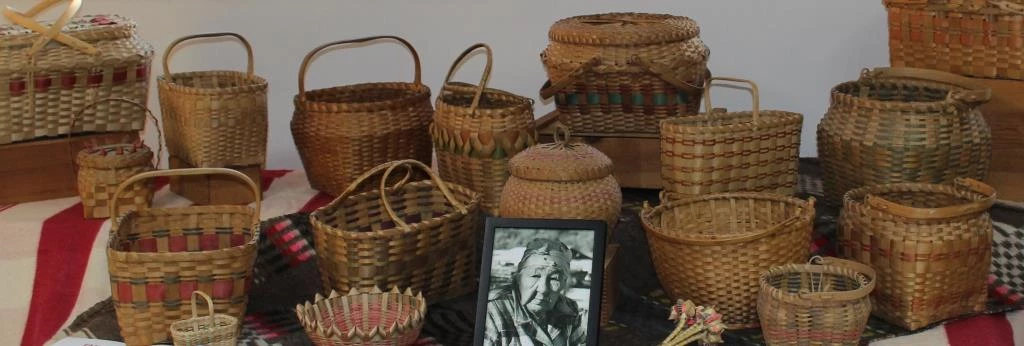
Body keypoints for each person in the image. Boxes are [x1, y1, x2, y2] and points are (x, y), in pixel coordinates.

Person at [483, 238, 588, 346]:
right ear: (518, 278)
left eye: (554, 279)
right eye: (535, 276)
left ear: (564, 283)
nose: (543, 289)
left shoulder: (569, 309)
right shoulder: (493, 312)